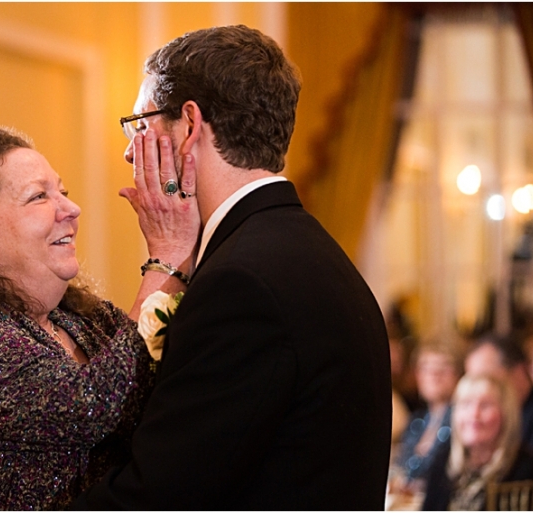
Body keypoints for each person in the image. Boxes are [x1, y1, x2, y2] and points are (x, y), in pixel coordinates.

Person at [72, 25, 392, 510]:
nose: (129, 150)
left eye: (141, 125)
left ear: (189, 126)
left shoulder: (240, 284)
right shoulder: (312, 251)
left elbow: (159, 496)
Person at [0, 125, 200, 510]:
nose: (72, 210)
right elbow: (86, 406)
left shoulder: (84, 318)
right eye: (39, 196)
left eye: (63, 192)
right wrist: (167, 257)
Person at [421, 374, 533, 510]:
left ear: (506, 414)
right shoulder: (443, 461)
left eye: (485, 405)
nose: (474, 414)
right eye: (466, 404)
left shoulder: (527, 468)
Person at [465, 335, 533, 474]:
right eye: (472, 381)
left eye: (488, 378)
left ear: (518, 371)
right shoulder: (475, 421)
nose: (478, 390)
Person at [392, 339, 463, 494]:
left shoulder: (463, 420)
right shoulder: (416, 420)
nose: (434, 375)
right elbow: (400, 468)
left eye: (444, 367)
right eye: (426, 367)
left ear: (458, 374)